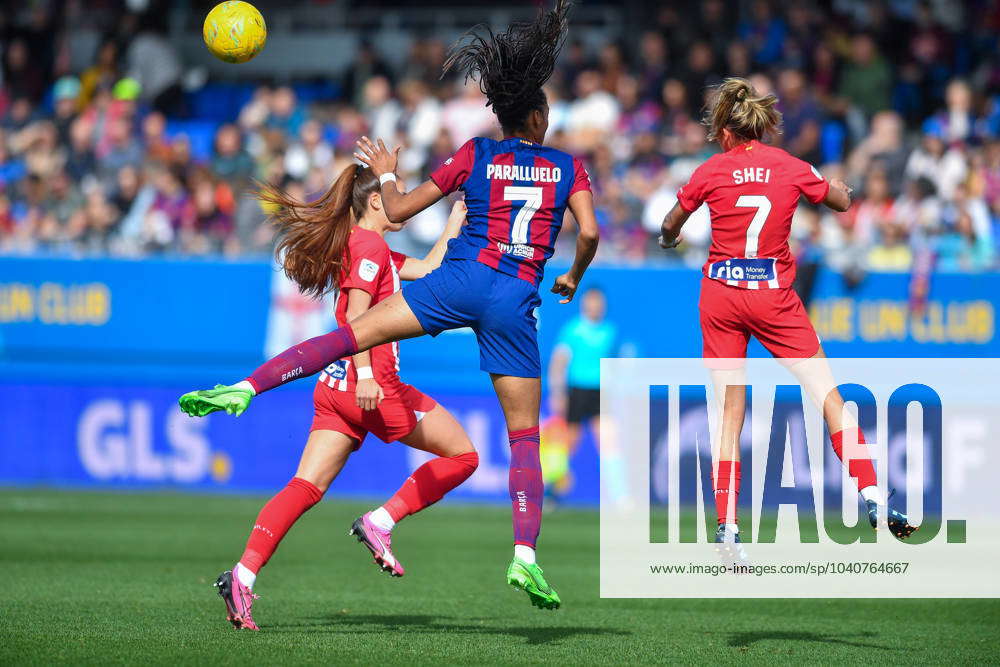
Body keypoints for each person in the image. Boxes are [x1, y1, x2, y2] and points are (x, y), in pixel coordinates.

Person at [179, 0, 598, 611]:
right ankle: (524, 555)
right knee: (525, 438)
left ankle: (246, 387)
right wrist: (573, 277)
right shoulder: (568, 167)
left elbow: (398, 212)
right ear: (537, 116)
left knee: (351, 338)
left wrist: (388, 175)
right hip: (512, 298)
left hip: (458, 280)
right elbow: (586, 235)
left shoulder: (475, 155)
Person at [658, 78, 916, 559]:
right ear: (760, 126)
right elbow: (840, 202)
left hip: (721, 295)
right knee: (827, 394)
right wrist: (839, 188)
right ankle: (874, 496)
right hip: (774, 297)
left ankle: (729, 529)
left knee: (730, 414)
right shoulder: (790, 166)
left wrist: (669, 240)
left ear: (725, 130)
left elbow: (672, 221)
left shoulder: (711, 170)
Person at [213, 164, 478, 631]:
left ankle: (242, 575)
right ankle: (381, 521)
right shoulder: (370, 246)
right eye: (392, 193)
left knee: (304, 487)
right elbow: (355, 319)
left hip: (333, 389)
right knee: (464, 455)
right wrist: (365, 376)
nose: (401, 203)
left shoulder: (364, 247)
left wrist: (454, 224)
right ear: (375, 201)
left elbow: (428, 269)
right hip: (371, 386)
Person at [546, 287, 626, 504]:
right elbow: (559, 361)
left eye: (599, 302)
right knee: (568, 444)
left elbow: (615, 364)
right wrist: (557, 392)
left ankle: (619, 497)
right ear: (584, 304)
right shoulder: (573, 330)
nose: (596, 307)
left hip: (601, 392)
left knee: (609, 441)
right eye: (592, 302)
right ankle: (553, 491)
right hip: (577, 391)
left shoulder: (610, 331)